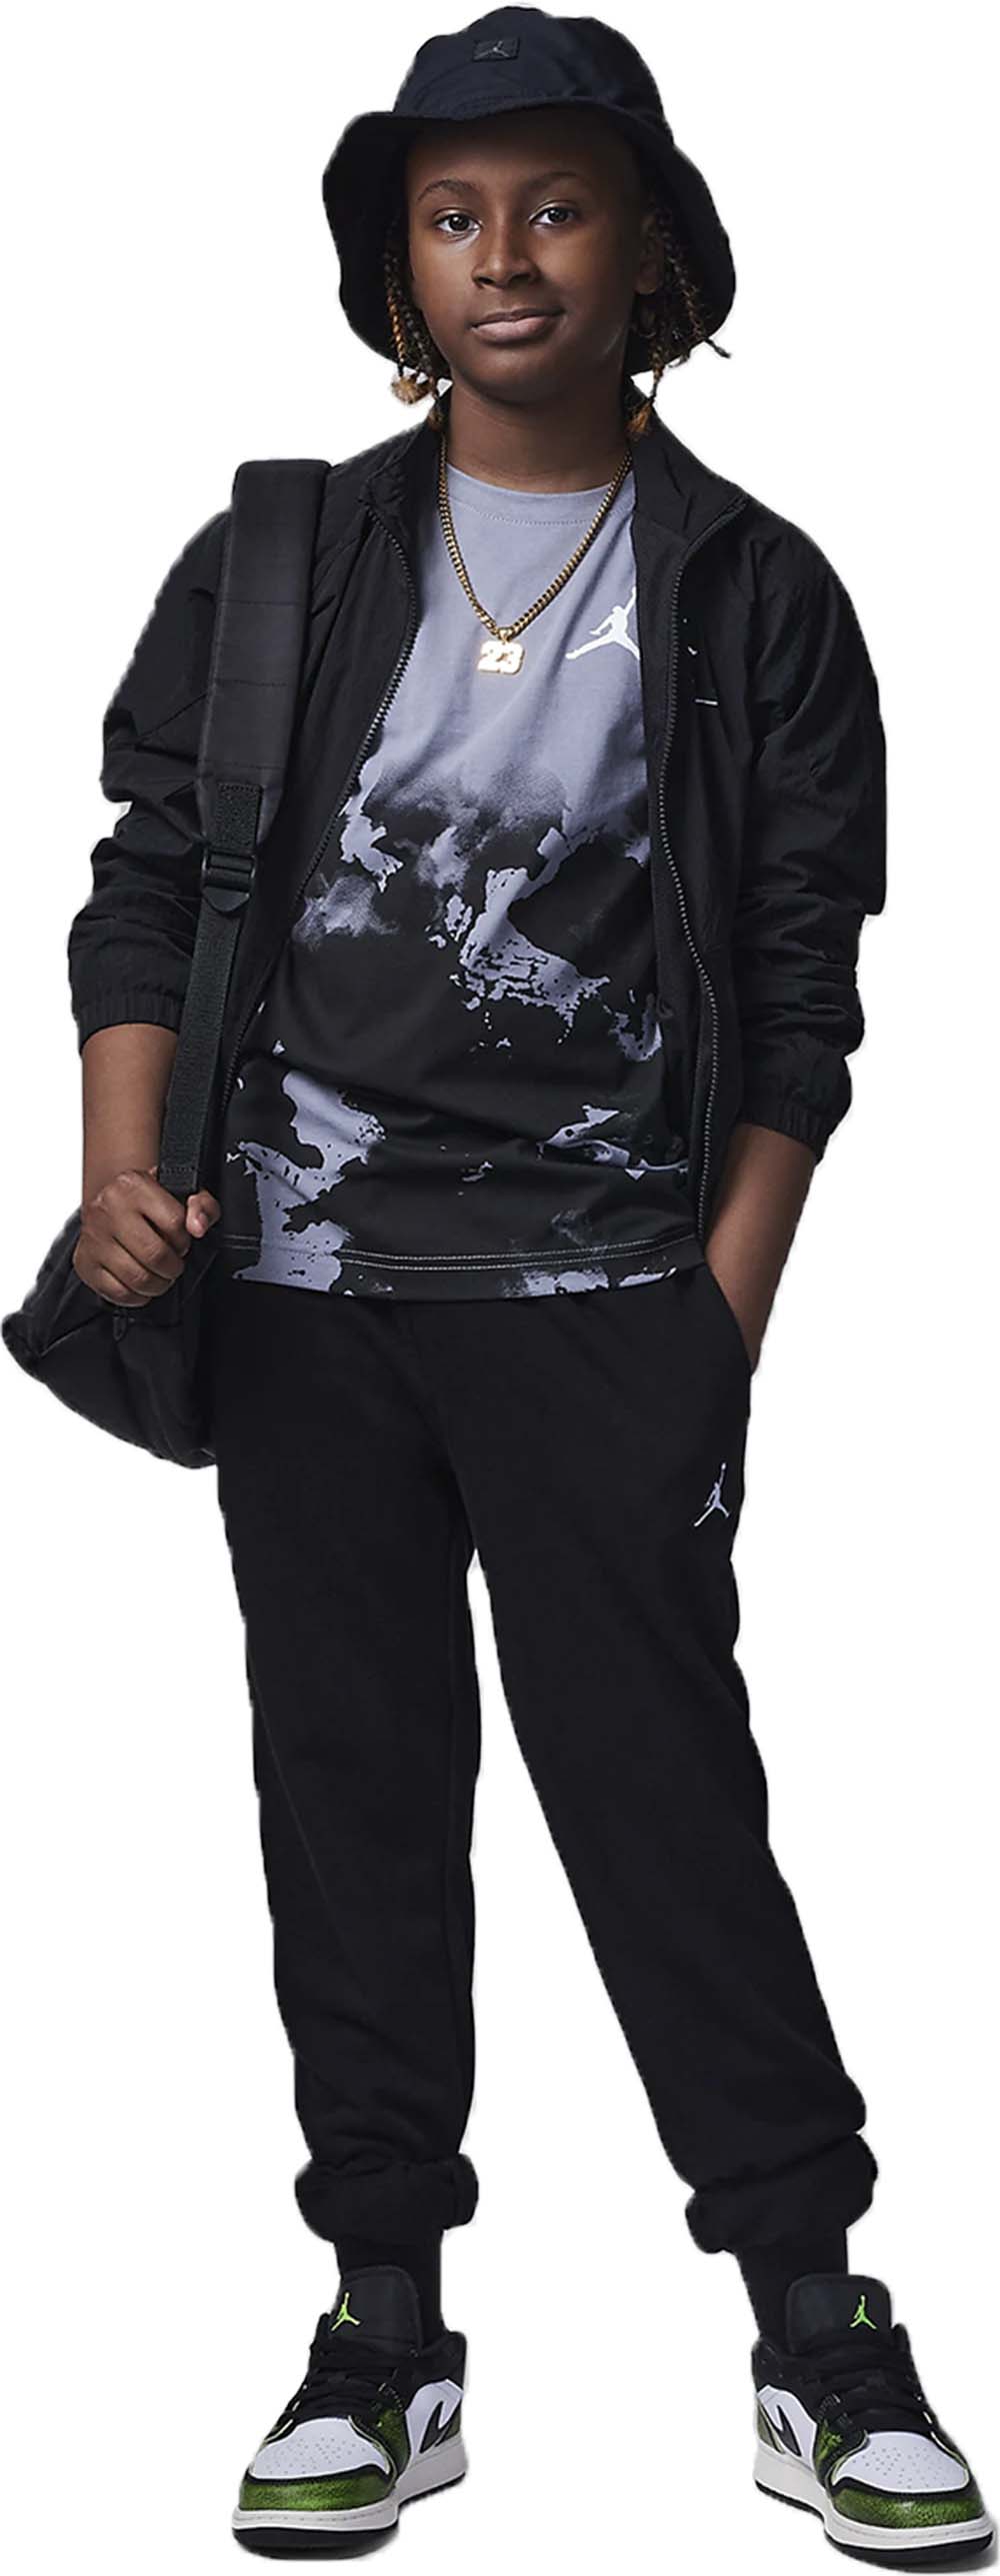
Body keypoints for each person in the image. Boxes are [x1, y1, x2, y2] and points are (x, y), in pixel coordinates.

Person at [65, 8, 993, 2561]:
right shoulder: (280, 556)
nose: (503, 256)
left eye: (556, 206)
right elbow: (148, 886)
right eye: (452, 211)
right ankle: (382, 2324)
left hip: (602, 1299)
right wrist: (125, 1173)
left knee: (659, 1797)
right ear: (395, 260)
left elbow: (797, 993)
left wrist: (716, 1321)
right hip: (301, 1290)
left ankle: (813, 2317)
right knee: (351, 1790)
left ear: (647, 248)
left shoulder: (752, 590)